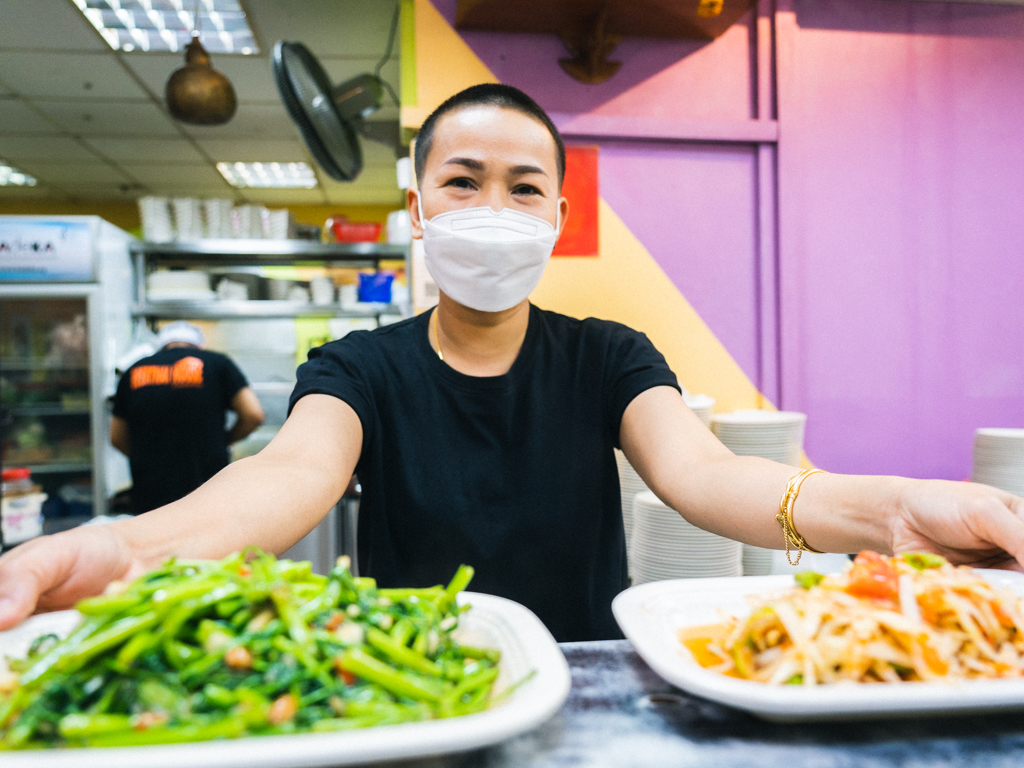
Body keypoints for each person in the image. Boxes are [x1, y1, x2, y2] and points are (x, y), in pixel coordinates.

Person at [0, 85, 1022, 640]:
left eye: (524, 187)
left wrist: (895, 514)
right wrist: (127, 552)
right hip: (415, 683)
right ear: (417, 209)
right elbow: (283, 479)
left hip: (593, 674)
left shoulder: (607, 357)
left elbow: (709, 477)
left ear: (558, 219)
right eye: (462, 180)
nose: (492, 209)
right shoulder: (356, 369)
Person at [110, 321, 265, 515]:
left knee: (157, 542)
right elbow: (253, 414)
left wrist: (149, 457)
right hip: (208, 488)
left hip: (151, 495)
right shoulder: (217, 363)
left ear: (162, 346)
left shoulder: (134, 371)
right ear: (200, 346)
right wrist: (224, 440)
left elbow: (116, 437)